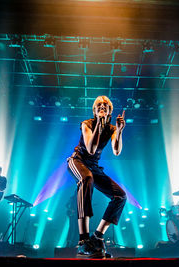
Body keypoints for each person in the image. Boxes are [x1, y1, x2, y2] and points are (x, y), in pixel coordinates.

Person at [67, 95, 127, 258]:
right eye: (98, 105)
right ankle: (83, 239)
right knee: (86, 179)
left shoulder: (112, 129)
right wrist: (98, 127)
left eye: (105, 105)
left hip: (93, 167)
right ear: (94, 110)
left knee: (120, 196)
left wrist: (119, 131)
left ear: (110, 111)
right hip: (78, 160)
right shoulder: (87, 124)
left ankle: (97, 236)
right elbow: (91, 149)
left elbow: (116, 151)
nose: (102, 106)